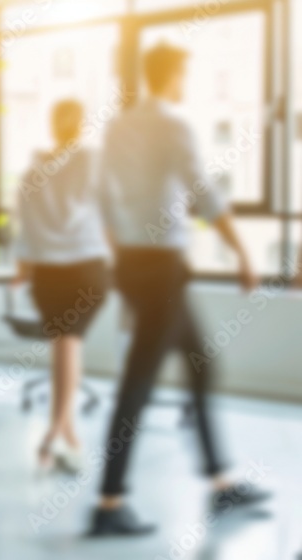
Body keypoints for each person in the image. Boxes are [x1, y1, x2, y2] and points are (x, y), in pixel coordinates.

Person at [90, 43, 269, 536]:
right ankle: (109, 501)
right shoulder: (173, 125)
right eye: (184, 73)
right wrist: (243, 251)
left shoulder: (118, 126)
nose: (186, 82)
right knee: (138, 384)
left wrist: (123, 250)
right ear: (171, 75)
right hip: (162, 269)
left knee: (200, 365)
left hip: (136, 264)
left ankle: (220, 482)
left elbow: (102, 196)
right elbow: (203, 191)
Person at [14, 99, 111, 474]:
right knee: (70, 346)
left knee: (64, 348)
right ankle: (54, 433)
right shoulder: (94, 162)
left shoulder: (31, 173)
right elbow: (112, 214)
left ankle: (69, 438)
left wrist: (23, 269)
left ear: (53, 125)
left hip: (46, 274)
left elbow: (25, 230)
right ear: (81, 124)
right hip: (86, 268)